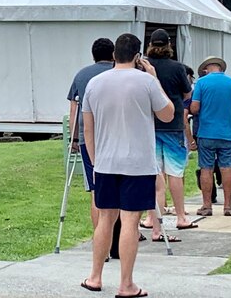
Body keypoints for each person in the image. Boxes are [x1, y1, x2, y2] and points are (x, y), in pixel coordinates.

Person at [81, 33, 173, 297]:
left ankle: (95, 276)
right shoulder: (146, 82)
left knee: (105, 220)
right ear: (137, 56)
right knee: (130, 222)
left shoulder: (95, 84)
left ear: (113, 55)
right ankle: (126, 284)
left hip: (106, 162)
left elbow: (89, 129)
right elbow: (167, 115)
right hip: (138, 163)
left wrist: (97, 161)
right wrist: (154, 76)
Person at [139, 29, 194, 242]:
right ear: (169, 44)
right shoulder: (177, 67)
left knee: (154, 174)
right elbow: (187, 93)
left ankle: (152, 218)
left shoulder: (142, 68)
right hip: (172, 124)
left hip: (149, 125)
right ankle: (180, 216)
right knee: (175, 173)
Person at [67, 37, 114, 268]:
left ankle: (100, 245)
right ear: (112, 54)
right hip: (115, 138)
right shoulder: (119, 72)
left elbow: (74, 107)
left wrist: (74, 137)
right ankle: (118, 241)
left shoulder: (82, 75)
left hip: (89, 139)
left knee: (96, 190)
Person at [190, 56, 231, 217]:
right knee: (226, 168)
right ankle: (228, 206)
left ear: (206, 69)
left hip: (206, 132)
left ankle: (207, 206)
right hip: (226, 133)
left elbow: (194, 108)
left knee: (206, 168)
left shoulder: (201, 83)